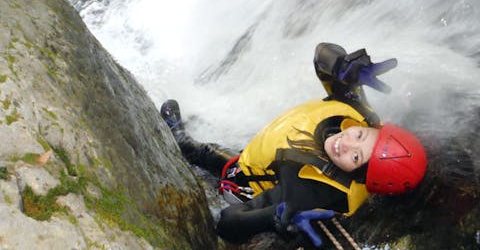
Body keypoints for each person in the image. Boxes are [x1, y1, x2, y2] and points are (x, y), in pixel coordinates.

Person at [160, 43, 428, 248]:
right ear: (374, 127)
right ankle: (190, 144)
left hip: (243, 183)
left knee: (209, 159)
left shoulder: (314, 191)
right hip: (263, 154)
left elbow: (225, 223)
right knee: (224, 156)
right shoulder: (358, 112)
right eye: (359, 136)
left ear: (359, 175)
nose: (345, 143)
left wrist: (272, 218)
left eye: (356, 157)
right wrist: (343, 65)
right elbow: (322, 54)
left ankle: (183, 141)